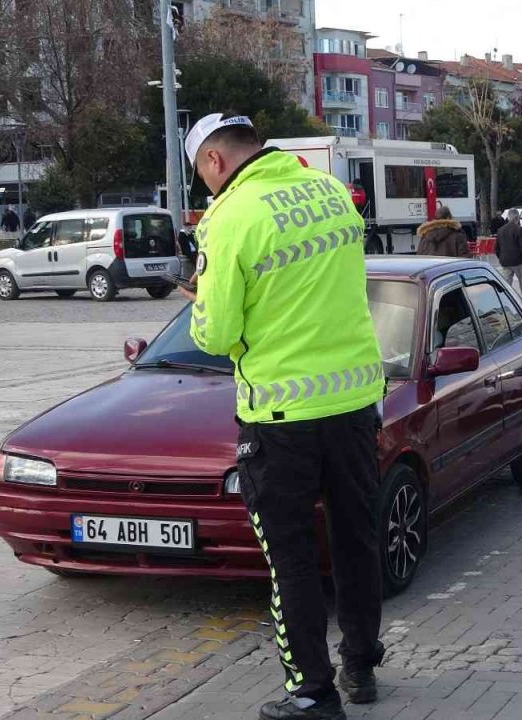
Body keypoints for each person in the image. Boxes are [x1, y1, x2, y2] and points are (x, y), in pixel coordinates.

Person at [182, 112, 385, 720]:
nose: (206, 188)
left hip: (279, 415)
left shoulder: (230, 216)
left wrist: (198, 301)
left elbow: (216, 336)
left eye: (201, 176)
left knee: (290, 558)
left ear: (215, 161)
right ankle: (361, 666)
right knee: (357, 540)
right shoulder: (325, 188)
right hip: (353, 403)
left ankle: (313, 693)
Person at [495, 208, 522, 310]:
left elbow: (496, 248)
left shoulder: (500, 230)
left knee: (506, 284)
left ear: (508, 217)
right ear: (517, 217)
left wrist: (501, 258)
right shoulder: (519, 229)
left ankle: (503, 305)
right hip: (518, 261)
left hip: (505, 261)